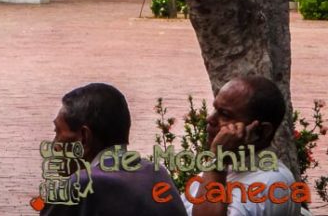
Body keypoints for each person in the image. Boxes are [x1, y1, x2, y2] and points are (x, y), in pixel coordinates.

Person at [42, 83, 186, 215]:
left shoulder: (81, 185)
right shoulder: (157, 174)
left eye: (58, 132)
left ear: (84, 138)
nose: (54, 145)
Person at [181, 76, 303, 216]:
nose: (210, 119)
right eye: (215, 109)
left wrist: (217, 164)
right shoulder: (227, 169)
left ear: (261, 132)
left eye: (225, 114)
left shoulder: (272, 184)